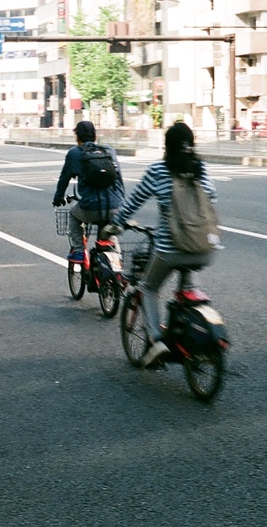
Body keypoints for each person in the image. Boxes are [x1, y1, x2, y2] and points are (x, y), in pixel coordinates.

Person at [107, 122, 216, 367]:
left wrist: (116, 224)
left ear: (166, 145)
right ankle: (187, 332)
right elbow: (212, 197)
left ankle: (157, 341)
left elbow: (133, 202)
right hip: (204, 248)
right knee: (186, 290)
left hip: (171, 249)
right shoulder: (200, 169)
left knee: (148, 288)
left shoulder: (159, 170)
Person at [51, 120, 125, 262]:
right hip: (115, 206)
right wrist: (120, 202)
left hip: (90, 207)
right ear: (95, 136)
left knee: (74, 215)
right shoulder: (109, 150)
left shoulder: (74, 153)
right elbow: (119, 178)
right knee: (109, 232)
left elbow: (64, 179)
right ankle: (118, 267)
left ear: (77, 137)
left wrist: (58, 198)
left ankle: (78, 250)